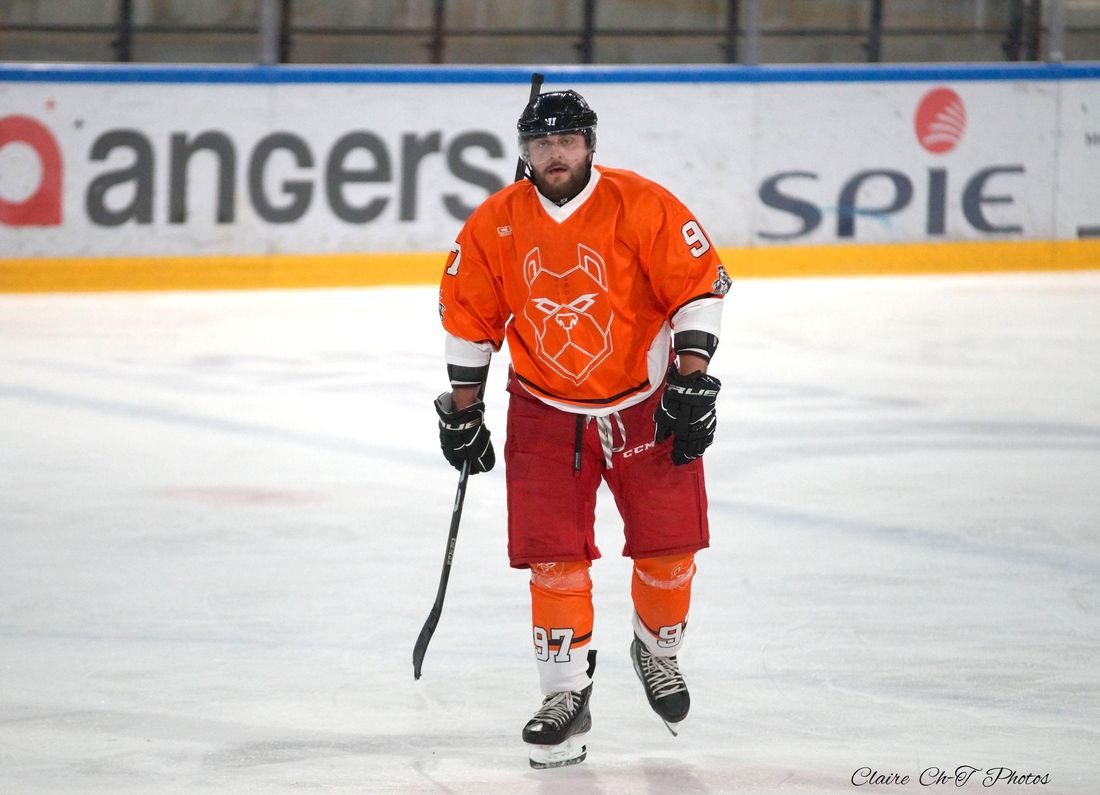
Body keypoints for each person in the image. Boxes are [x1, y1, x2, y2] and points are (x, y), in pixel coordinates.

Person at [433, 89, 729, 769]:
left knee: (669, 549)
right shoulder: (495, 222)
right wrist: (464, 408)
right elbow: (469, 317)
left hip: (644, 401)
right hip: (544, 406)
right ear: (525, 152)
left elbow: (696, 288)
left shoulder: (641, 203)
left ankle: (657, 649)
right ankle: (565, 694)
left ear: (591, 144)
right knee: (553, 557)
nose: (556, 153)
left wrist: (691, 377)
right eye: (542, 143)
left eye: (568, 140)